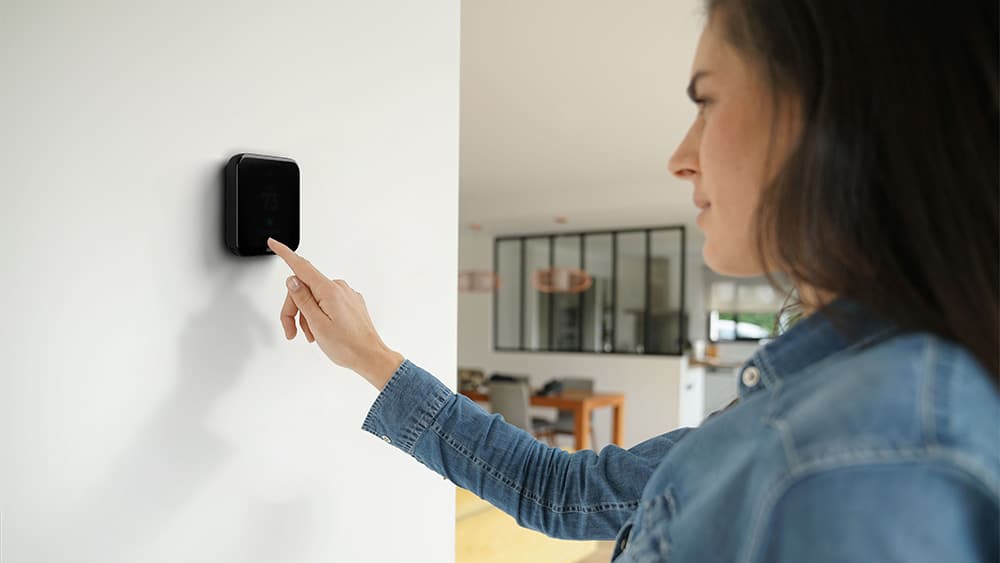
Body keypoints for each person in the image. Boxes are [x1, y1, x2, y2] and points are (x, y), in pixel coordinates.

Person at [265, 0, 999, 560]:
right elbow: (563, 491)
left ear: (832, 111)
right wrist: (369, 355)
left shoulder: (864, 461)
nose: (681, 157)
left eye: (706, 101)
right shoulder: (817, 402)